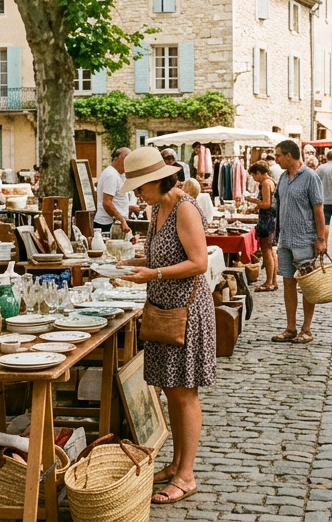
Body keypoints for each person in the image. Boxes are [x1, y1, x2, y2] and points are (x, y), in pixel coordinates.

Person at [115, 146, 215, 505]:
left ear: (159, 181)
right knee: (172, 389)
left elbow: (199, 262)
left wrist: (152, 273)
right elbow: (163, 255)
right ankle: (175, 464)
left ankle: (186, 475)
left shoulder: (185, 209)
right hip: (164, 307)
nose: (137, 194)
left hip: (186, 312)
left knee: (184, 393)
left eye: (140, 187)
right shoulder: (159, 208)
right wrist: (135, 262)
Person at [271, 140, 326, 344]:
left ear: (289, 155)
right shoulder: (283, 178)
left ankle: (307, 328)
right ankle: (291, 327)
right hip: (286, 239)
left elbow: (319, 210)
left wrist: (321, 239)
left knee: (308, 285)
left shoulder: (311, 177)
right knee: (288, 282)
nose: (275, 160)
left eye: (278, 155)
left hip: (305, 239)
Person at [247, 163, 279, 292]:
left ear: (259, 172)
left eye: (254, 175)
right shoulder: (271, 181)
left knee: (266, 251)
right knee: (270, 251)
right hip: (271, 218)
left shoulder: (266, 183)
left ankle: (269, 282)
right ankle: (273, 281)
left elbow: (266, 204)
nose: (254, 178)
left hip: (267, 219)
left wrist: (252, 200)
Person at [93, 148, 135, 234]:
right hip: (107, 224)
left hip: (115, 222)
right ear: (116, 159)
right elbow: (107, 203)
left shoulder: (119, 174)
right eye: (126, 159)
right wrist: (121, 220)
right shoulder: (111, 175)